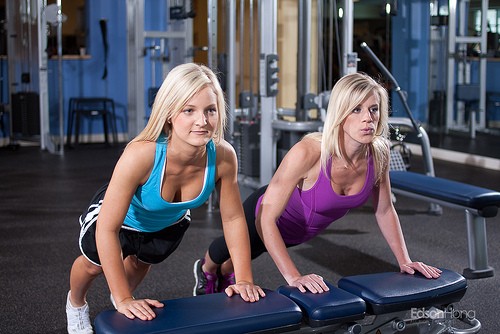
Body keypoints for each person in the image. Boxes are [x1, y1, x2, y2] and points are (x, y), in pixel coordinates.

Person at [194, 72, 441, 296]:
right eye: (356, 109)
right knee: (225, 249)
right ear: (340, 113)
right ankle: (204, 269)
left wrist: (405, 261)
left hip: (299, 232)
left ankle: (224, 272)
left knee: (249, 253)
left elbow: (385, 209)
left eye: (374, 109)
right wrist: (294, 276)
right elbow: (265, 218)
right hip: (265, 215)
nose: (368, 118)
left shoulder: (379, 153)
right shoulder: (309, 152)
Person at [66, 63, 265, 334]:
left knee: (137, 265)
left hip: (166, 223)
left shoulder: (224, 156)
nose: (202, 121)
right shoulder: (141, 155)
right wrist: (125, 299)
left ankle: (120, 297)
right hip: (122, 219)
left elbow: (232, 218)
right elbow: (108, 228)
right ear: (169, 113)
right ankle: (76, 304)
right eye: (188, 110)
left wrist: (243, 279)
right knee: (92, 266)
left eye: (210, 110)